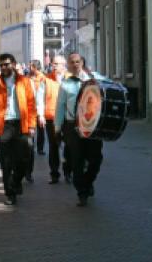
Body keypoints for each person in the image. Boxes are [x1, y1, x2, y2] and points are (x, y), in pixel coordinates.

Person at [0, 53, 36, 205]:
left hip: (21, 124)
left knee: (24, 159)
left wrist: (32, 125)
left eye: (6, 64)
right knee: (6, 162)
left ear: (14, 64)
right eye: (1, 65)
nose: (4, 67)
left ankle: (16, 182)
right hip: (4, 125)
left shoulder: (24, 81)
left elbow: (31, 104)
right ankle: (10, 193)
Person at [54, 52, 103, 207]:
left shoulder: (94, 80)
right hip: (72, 126)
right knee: (77, 160)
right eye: (71, 62)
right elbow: (60, 107)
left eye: (77, 61)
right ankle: (82, 192)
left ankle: (88, 183)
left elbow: (108, 90)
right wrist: (57, 127)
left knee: (96, 159)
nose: (75, 64)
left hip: (92, 125)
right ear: (68, 65)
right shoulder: (65, 84)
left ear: (82, 62)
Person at [37, 55, 71, 184]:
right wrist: (40, 115)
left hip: (68, 118)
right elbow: (39, 99)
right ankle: (54, 174)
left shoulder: (71, 79)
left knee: (68, 145)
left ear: (64, 65)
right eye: (53, 63)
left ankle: (68, 172)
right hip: (51, 117)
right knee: (53, 146)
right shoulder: (46, 80)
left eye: (57, 63)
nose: (55, 66)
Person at [28, 60, 46, 155]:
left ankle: (40, 148)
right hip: (31, 107)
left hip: (40, 106)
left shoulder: (42, 78)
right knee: (31, 128)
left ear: (35, 67)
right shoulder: (28, 77)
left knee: (41, 128)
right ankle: (31, 147)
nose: (29, 68)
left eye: (31, 66)